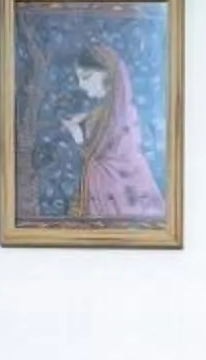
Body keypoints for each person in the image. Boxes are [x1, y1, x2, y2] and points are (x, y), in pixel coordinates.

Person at [56, 41, 163, 223]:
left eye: (87, 77)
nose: (82, 85)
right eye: (79, 79)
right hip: (104, 189)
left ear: (107, 73)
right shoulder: (108, 110)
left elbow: (97, 154)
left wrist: (77, 133)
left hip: (118, 192)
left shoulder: (120, 114)